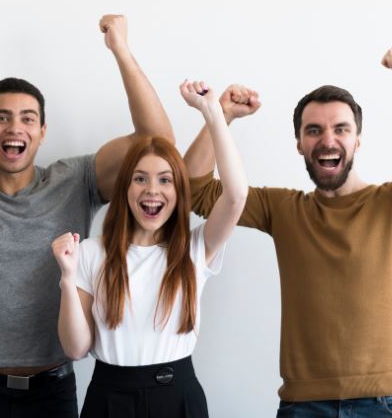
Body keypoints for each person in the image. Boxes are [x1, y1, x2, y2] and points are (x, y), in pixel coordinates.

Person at [0, 14, 174, 417]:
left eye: (28, 118)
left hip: (52, 388)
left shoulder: (75, 179)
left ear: (43, 132)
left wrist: (121, 52)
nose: (15, 128)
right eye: (2, 117)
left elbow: (157, 141)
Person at [184, 44, 392, 416]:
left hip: (384, 403)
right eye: (314, 130)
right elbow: (196, 190)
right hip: (304, 404)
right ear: (300, 145)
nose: (328, 139)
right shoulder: (284, 209)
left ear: (357, 140)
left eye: (341, 129)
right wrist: (220, 115)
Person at [51, 80, 247, 418]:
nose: (151, 190)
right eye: (140, 178)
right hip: (109, 398)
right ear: (125, 187)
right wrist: (67, 280)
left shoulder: (195, 249)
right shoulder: (90, 254)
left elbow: (236, 196)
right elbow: (75, 347)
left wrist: (214, 113)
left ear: (178, 191)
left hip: (178, 397)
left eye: (165, 180)